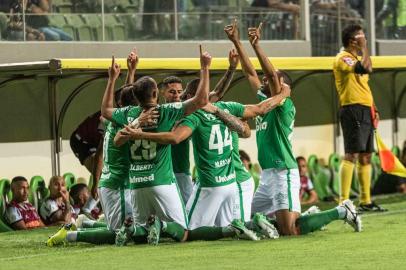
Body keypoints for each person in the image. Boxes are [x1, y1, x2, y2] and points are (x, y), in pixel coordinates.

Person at [225, 19, 362, 235]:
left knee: (290, 231)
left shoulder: (284, 103)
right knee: (245, 217)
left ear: (281, 85)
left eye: (270, 80)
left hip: (284, 172)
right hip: (267, 173)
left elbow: (270, 75)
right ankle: (306, 215)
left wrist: (257, 45)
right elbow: (250, 73)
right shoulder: (265, 98)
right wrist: (237, 42)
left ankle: (341, 211)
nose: (263, 81)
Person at [333, 24, 386, 212]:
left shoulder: (356, 58)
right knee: (352, 154)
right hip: (352, 109)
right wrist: (365, 48)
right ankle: (344, 203)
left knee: (366, 156)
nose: (364, 38)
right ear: (351, 41)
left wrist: (374, 109)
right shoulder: (343, 58)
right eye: (361, 36)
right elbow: (366, 68)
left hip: (365, 109)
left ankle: (366, 201)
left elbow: (364, 86)